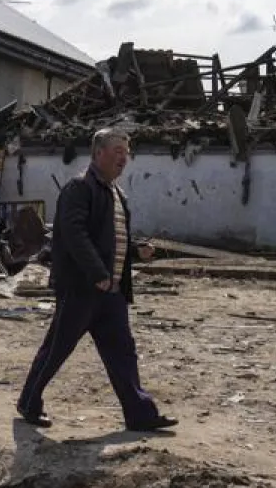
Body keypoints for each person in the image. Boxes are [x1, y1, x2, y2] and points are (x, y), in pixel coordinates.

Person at [16, 127, 177, 432]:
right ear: (98, 153)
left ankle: (140, 414)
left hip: (111, 292)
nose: (123, 158)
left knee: (123, 352)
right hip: (82, 289)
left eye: (126, 152)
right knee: (57, 349)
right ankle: (29, 401)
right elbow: (75, 236)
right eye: (117, 151)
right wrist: (97, 273)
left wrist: (134, 250)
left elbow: (108, 240)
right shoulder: (79, 189)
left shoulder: (117, 194)